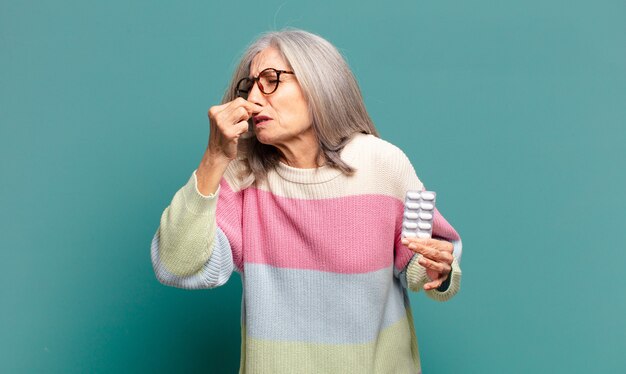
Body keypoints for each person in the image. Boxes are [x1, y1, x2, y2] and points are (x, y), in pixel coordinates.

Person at [151, 28, 462, 374]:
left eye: (271, 80)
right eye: (249, 85)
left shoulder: (383, 164)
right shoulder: (240, 175)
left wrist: (439, 269)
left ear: (318, 83)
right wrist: (214, 157)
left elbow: (423, 264)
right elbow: (176, 266)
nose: (253, 98)